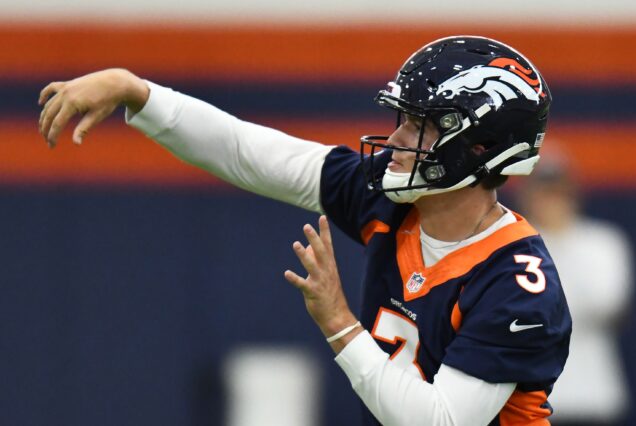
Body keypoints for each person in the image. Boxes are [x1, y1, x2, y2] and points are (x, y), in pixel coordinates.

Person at [38, 36, 571, 425]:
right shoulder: (391, 198)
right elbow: (250, 152)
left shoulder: (517, 284)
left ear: (479, 148)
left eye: (420, 124)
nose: (396, 138)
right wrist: (137, 92)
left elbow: (439, 422)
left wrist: (340, 323)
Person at [516, 158, 633, 426]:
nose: (552, 202)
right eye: (543, 193)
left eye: (558, 193)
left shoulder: (604, 242)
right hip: (527, 402)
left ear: (573, 195)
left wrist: (560, 237)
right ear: (527, 196)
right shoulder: (513, 246)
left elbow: (605, 305)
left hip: (592, 398)